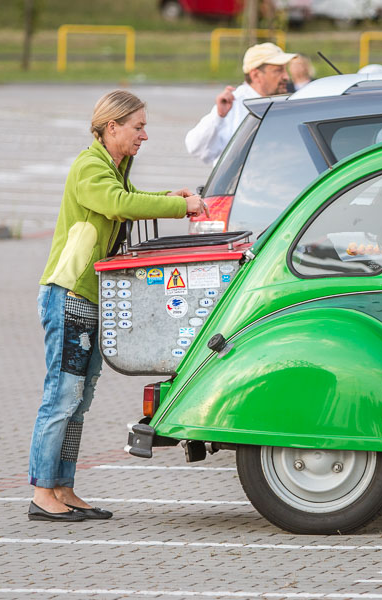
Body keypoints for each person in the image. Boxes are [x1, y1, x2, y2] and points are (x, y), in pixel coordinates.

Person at [29, 90, 209, 522]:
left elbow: (124, 199)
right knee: (62, 396)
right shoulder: (90, 165)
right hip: (68, 295)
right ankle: (41, 493)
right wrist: (178, 205)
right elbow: (118, 204)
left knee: (80, 398)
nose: (144, 135)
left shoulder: (113, 167)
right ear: (112, 127)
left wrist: (168, 194)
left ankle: (63, 487)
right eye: (138, 127)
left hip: (89, 298)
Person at [185, 42, 296, 166]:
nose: (286, 77)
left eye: (285, 70)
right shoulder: (234, 104)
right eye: (278, 71)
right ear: (256, 75)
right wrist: (219, 116)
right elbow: (194, 147)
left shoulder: (282, 101)